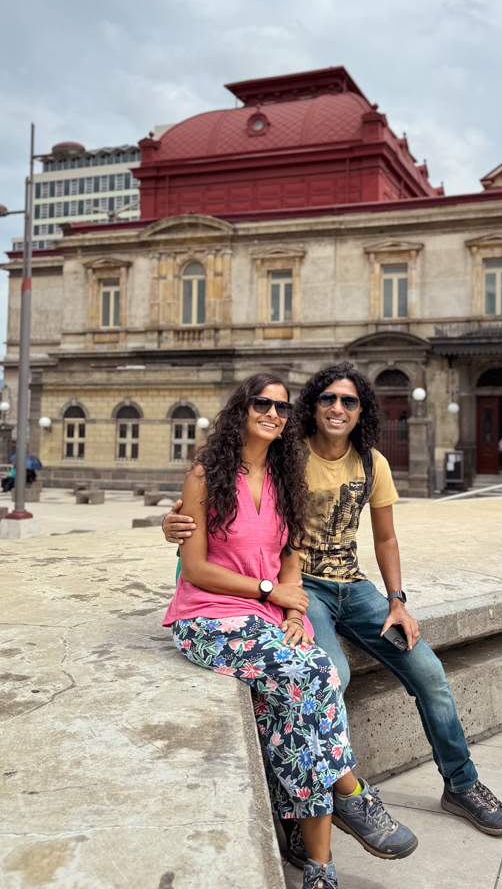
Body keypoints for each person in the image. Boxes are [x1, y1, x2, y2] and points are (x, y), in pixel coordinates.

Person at [164, 362, 502, 868]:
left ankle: (461, 784)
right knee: (333, 674)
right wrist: (171, 522)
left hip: (353, 588)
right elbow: (212, 505)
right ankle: (327, 808)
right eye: (327, 398)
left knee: (430, 673)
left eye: (349, 402)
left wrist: (397, 599)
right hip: (301, 588)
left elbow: (386, 537)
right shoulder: (288, 453)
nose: (337, 408)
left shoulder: (370, 463)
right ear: (313, 406)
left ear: (361, 411)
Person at [162, 372, 413, 889]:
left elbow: (290, 558)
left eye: (281, 407)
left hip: (265, 616)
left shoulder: (285, 476)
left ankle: (317, 865)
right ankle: (350, 792)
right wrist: (268, 591)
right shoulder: (205, 475)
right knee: (318, 673)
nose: (272, 414)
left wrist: (296, 614)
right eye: (261, 404)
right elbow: (196, 568)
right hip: (207, 616)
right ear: (241, 410)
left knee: (294, 715)